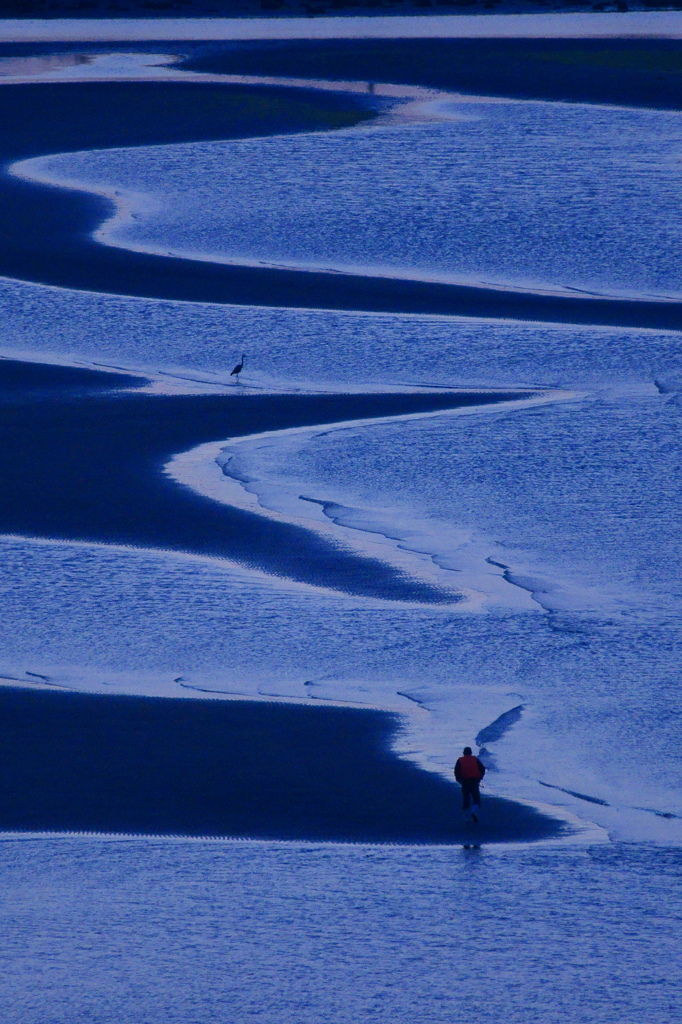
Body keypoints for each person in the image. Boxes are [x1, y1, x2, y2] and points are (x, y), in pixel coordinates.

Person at [454, 746, 486, 822]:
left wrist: (459, 780)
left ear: (464, 753)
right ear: (471, 753)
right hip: (474, 781)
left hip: (465, 782)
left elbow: (456, 772)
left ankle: (465, 817)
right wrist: (480, 777)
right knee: (476, 799)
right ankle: (473, 812)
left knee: (466, 799)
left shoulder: (460, 760)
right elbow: (482, 768)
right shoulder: (475, 759)